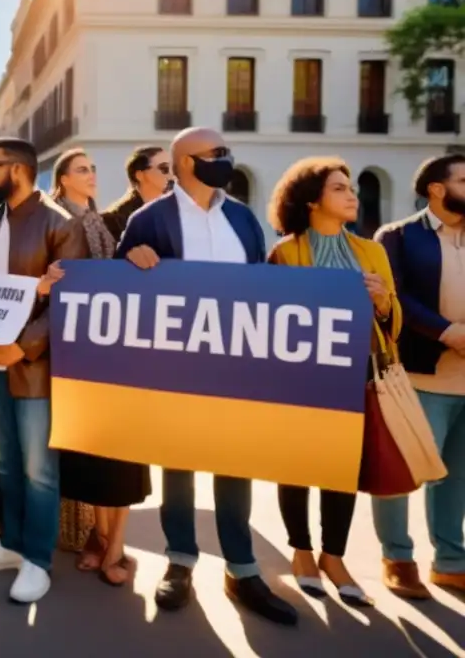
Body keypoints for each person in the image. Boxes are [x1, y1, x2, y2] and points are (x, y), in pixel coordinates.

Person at [115, 127, 297, 625]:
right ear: (186, 163)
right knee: (178, 465)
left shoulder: (242, 217)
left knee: (235, 462)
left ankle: (242, 568)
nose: (227, 159)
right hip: (175, 368)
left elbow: (261, 283)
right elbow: (116, 287)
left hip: (236, 365)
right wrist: (132, 260)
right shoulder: (148, 219)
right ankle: (180, 562)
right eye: (217, 153)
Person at [267, 158, 401, 607]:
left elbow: (391, 321)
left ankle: (334, 556)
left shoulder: (372, 251)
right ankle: (301, 552)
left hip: (357, 372)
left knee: (342, 468)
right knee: (297, 465)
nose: (352, 195)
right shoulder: (285, 252)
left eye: (351, 188)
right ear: (312, 200)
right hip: (300, 376)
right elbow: (269, 318)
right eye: (340, 188)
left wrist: (382, 301)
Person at [0, 137, 87, 604]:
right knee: (4, 464)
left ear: (17, 169)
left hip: (37, 370)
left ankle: (37, 559)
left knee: (39, 471)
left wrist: (25, 347)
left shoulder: (61, 224)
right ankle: (9, 545)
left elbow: (74, 300)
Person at [47, 148, 152, 586]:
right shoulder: (53, 221)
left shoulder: (109, 223)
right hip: (75, 355)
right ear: (63, 179)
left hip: (118, 352)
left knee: (121, 455)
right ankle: (100, 537)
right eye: (81, 170)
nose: (91, 175)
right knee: (90, 456)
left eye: (92, 169)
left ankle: (116, 546)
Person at [373, 153, 465, 597]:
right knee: (401, 471)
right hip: (419, 380)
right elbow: (396, 297)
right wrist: (448, 332)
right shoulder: (398, 236)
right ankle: (398, 557)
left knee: (457, 477)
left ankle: (450, 561)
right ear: (436, 189)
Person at [101, 145, 173, 242]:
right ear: (140, 175)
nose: (172, 175)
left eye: (174, 168)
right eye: (165, 168)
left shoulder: (179, 213)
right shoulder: (114, 220)